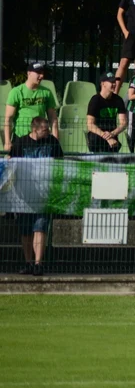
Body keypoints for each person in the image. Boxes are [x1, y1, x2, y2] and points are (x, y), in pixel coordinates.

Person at [9, 116, 63, 276]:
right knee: (25, 231)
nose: (47, 133)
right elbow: (11, 163)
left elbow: (61, 164)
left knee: (40, 228)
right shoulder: (21, 143)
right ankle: (28, 263)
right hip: (24, 195)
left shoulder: (52, 142)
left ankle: (38, 264)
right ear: (34, 129)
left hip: (44, 193)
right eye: (44, 130)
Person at [4, 62, 59, 152]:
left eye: (42, 73)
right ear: (28, 73)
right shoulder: (16, 92)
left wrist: (55, 140)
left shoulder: (47, 93)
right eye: (38, 73)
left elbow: (53, 118)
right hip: (21, 138)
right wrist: (7, 142)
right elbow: (8, 119)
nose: (41, 76)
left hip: (41, 138)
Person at [86, 74, 128, 153]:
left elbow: (124, 123)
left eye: (114, 81)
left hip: (112, 135)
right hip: (97, 136)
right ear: (103, 84)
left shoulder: (118, 100)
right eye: (111, 82)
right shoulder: (95, 100)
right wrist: (107, 137)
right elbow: (90, 125)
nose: (114, 84)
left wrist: (112, 134)